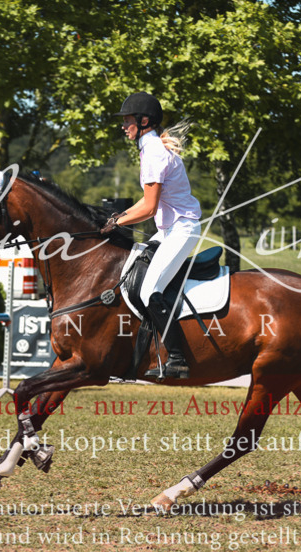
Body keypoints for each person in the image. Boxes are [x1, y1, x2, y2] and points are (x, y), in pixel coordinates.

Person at [102, 92, 201, 379]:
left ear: (144, 121)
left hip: (180, 230)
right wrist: (115, 218)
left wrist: (116, 222)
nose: (123, 125)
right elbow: (143, 203)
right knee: (132, 275)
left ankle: (179, 358)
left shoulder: (154, 153)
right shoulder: (151, 149)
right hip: (167, 230)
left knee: (149, 291)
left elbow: (148, 207)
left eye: (128, 120)